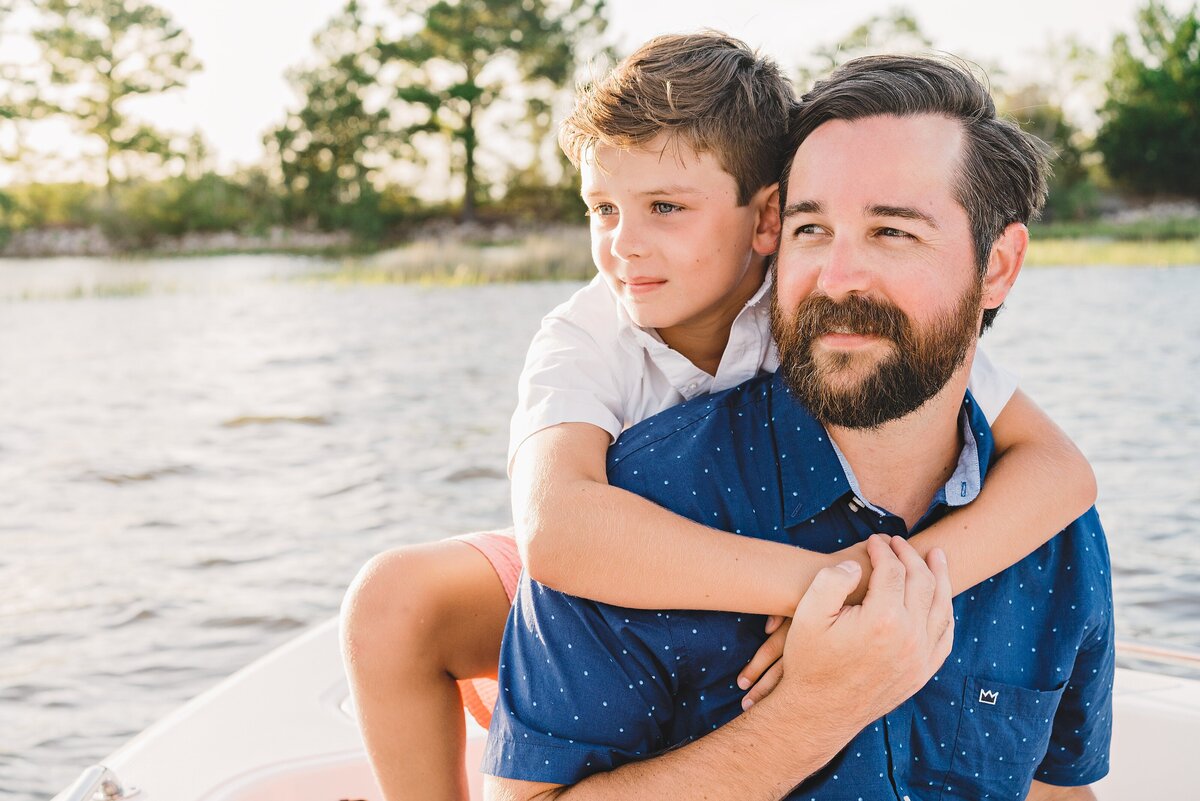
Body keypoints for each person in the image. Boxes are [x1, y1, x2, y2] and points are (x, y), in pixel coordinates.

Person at [340, 36, 1098, 801]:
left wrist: (901, 589)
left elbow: (1060, 470)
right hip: (608, 532)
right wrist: (830, 588)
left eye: (664, 207)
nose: (623, 244)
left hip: (774, 529)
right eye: (601, 209)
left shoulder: (827, 305)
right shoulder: (588, 335)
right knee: (396, 600)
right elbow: (561, 532)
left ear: (764, 219)